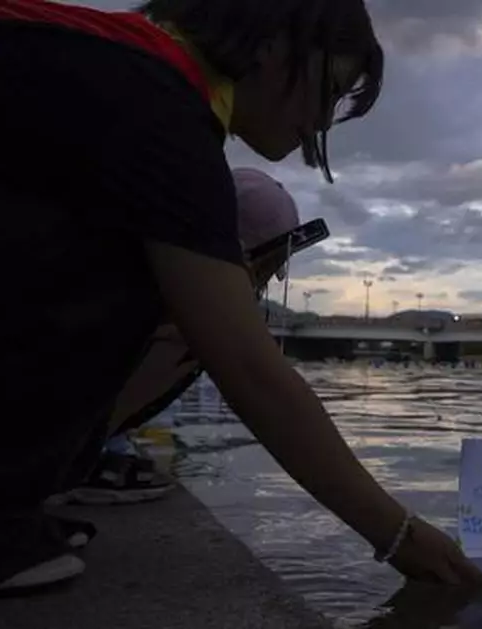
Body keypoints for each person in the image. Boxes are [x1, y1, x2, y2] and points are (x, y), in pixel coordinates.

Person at [0, 0, 481, 593]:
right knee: (191, 308)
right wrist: (398, 533)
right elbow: (248, 366)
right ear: (273, 42)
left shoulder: (115, 64)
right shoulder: (159, 111)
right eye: (329, 91)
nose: (322, 122)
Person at [59, 167, 304, 508]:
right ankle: (68, 461)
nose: (271, 279)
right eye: (271, 264)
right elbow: (267, 394)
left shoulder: (123, 277)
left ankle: (84, 452)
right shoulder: (181, 314)